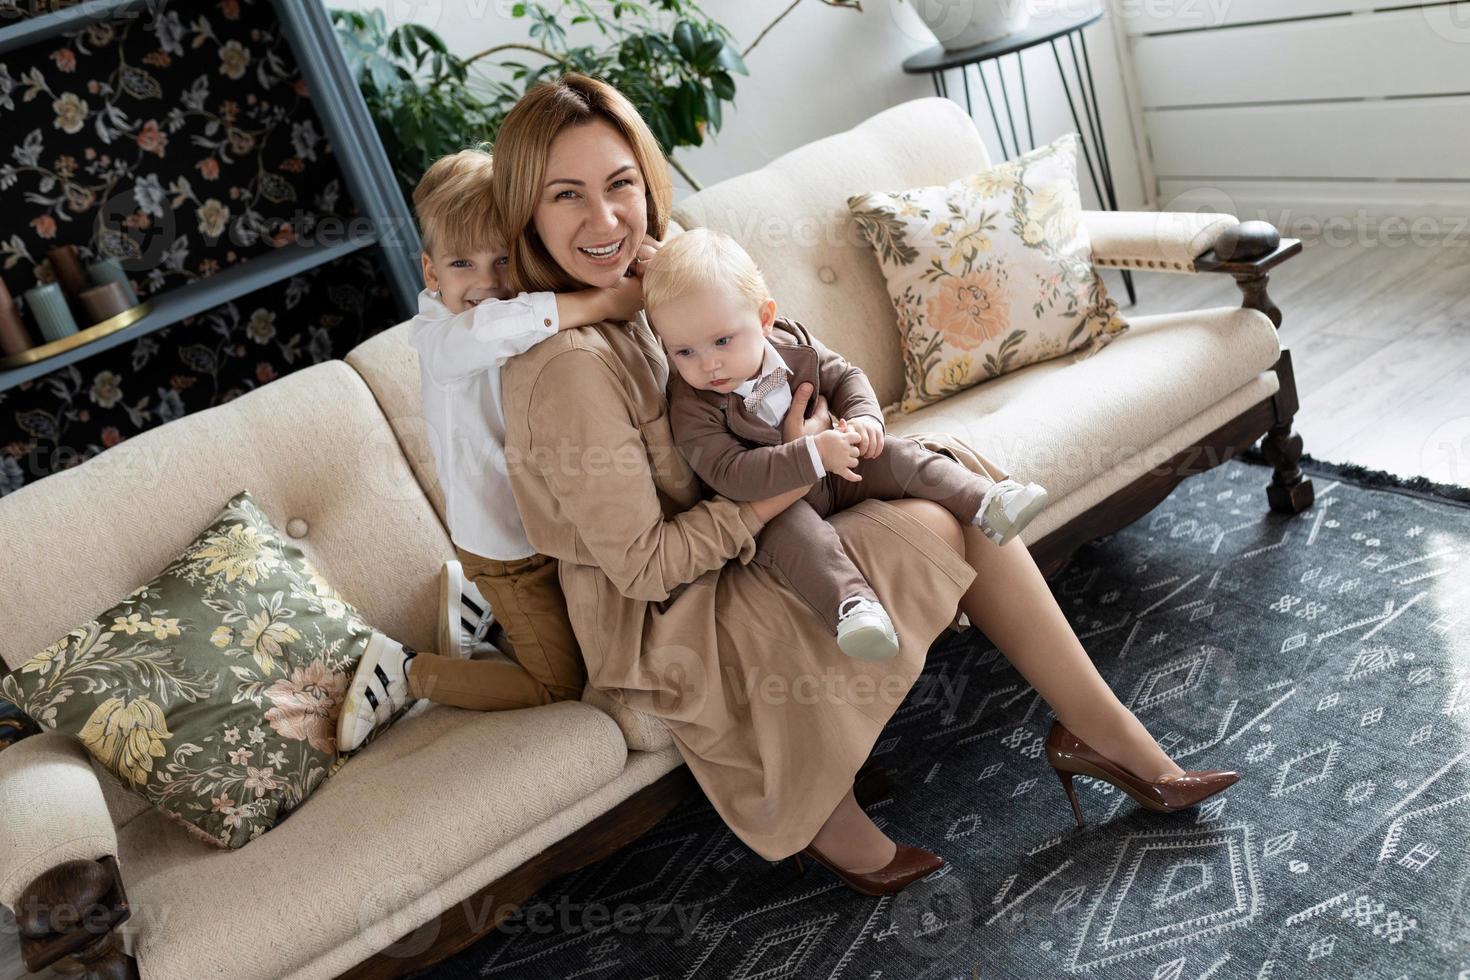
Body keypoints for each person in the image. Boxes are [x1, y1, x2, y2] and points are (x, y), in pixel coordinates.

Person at [492, 73, 1237, 894]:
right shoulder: (566, 366)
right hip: (665, 609)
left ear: (646, 181)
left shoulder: (658, 286)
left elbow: (794, 351)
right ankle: (832, 812)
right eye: (567, 196)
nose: (603, 219)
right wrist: (798, 463)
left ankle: (1105, 731)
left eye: (619, 183)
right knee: (930, 520)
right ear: (528, 211)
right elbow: (643, 568)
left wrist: (824, 435)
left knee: (948, 468)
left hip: (753, 515)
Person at [336, 146, 641, 752]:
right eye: (462, 264)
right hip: (506, 551)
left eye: (504, 259)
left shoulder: (526, 309)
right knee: (560, 683)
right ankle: (406, 671)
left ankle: (475, 605)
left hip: (551, 531)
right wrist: (608, 300)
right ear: (430, 274)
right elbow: (501, 325)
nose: (487, 283)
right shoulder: (440, 339)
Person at [645, 227, 1049, 662]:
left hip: (842, 469)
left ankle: (987, 501)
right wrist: (813, 453)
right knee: (799, 540)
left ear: (764, 319)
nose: (708, 364)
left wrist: (863, 417)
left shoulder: (792, 340)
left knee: (896, 454)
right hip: (775, 504)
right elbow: (730, 473)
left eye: (722, 341)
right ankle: (853, 609)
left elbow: (845, 375)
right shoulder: (690, 406)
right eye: (683, 352)